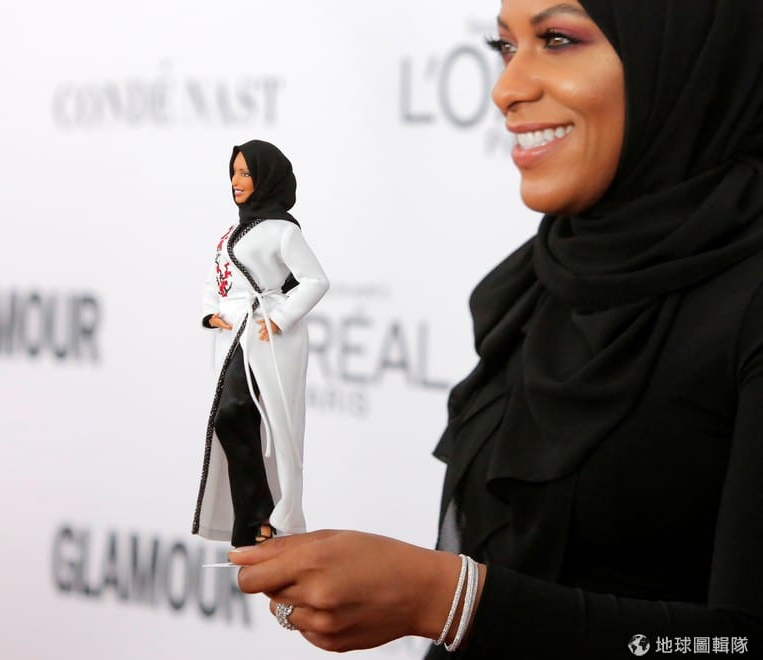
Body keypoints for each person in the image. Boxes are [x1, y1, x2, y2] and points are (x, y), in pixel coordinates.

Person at [228, 1, 763, 657]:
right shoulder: (547, 277)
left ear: (679, 54)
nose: (507, 89)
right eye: (505, 47)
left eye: (558, 39)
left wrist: (445, 600)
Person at [192, 139, 329, 549]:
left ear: (265, 178)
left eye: (246, 173)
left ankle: (272, 515)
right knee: (231, 418)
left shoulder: (283, 231)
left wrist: (281, 317)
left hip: (264, 335)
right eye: (233, 172)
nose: (236, 181)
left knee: (254, 420)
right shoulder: (231, 233)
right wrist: (211, 312)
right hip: (233, 333)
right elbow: (216, 280)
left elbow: (315, 280)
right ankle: (254, 518)